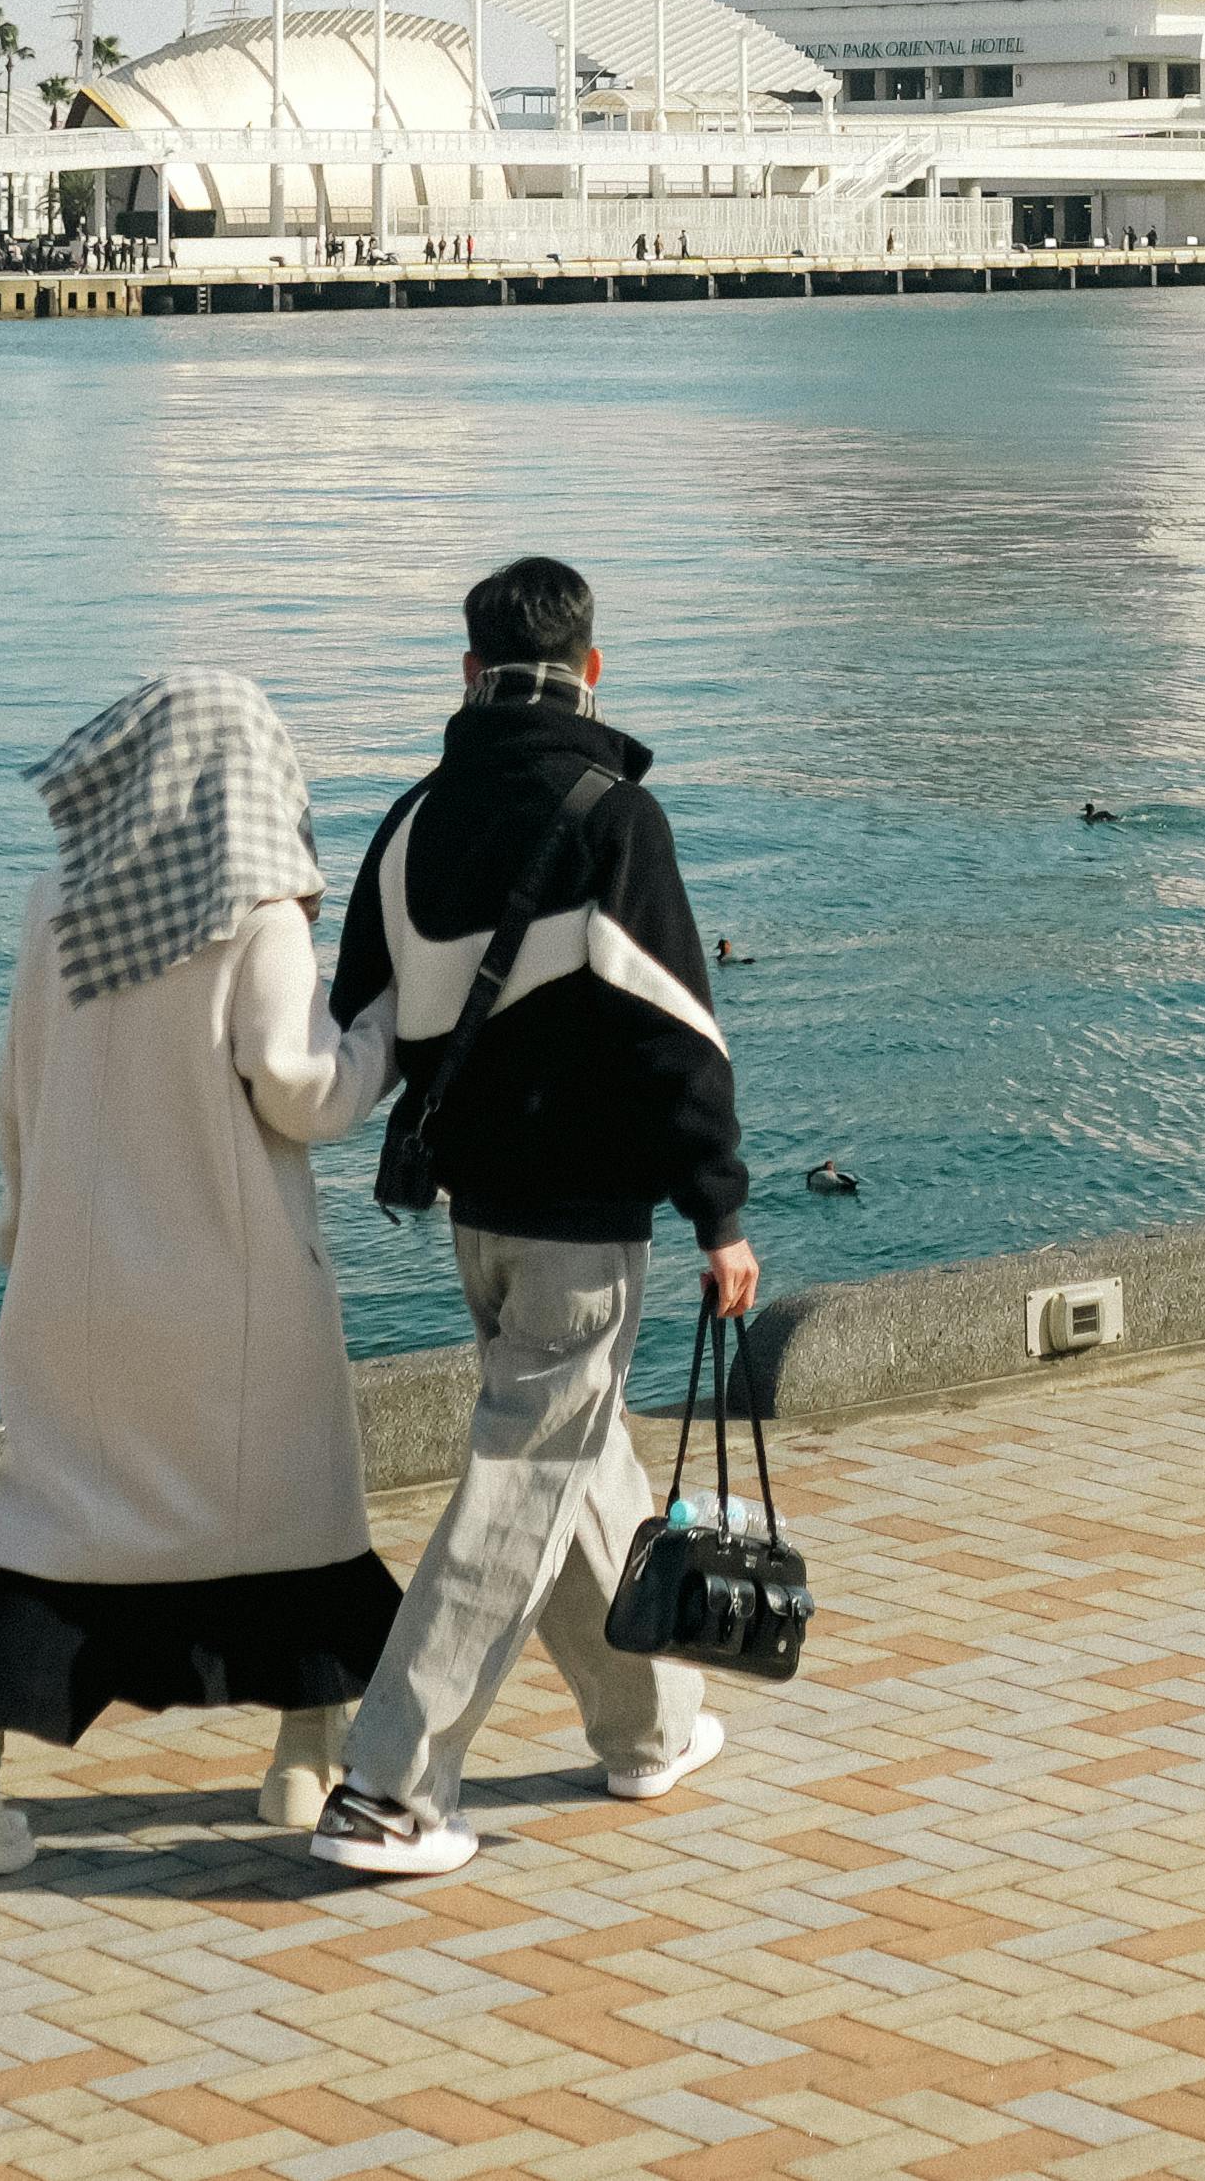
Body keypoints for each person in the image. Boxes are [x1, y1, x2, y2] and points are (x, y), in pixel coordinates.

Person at [0, 668, 403, 1882]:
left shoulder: (57, 900)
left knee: (58, 1541)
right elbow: (301, 1085)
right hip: (228, 1294)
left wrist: (21, 1229)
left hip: (71, 1291)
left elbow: (16, 1088)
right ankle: (302, 1757)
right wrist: (386, 1037)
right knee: (297, 1518)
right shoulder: (252, 912)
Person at [306, 555, 755, 1883]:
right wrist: (720, 1212)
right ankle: (387, 1790)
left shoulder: (408, 825)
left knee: (576, 1462)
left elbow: (361, 1029)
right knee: (518, 1490)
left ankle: (649, 1730)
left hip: (476, 1217)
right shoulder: (614, 817)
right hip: (582, 1222)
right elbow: (680, 1039)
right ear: (593, 670)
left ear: (467, 673)